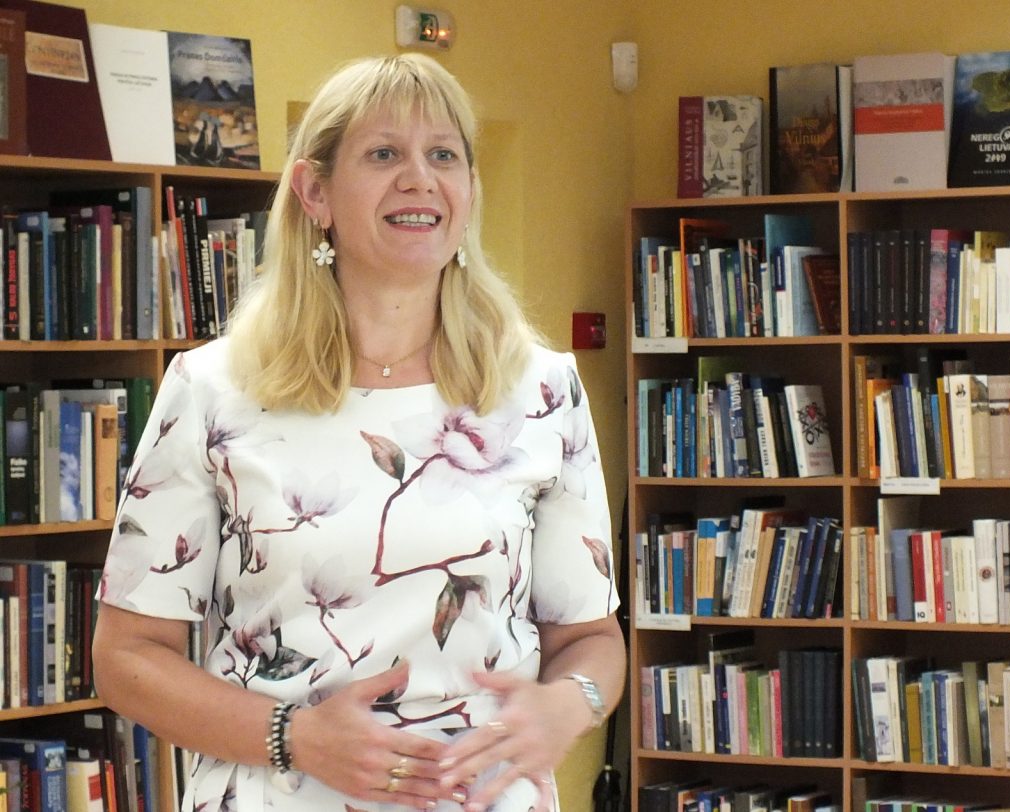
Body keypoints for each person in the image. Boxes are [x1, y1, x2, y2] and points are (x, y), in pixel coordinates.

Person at [92, 52, 625, 812]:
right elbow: (127, 659)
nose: (419, 179)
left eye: (444, 155)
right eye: (383, 154)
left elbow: (591, 640)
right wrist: (294, 736)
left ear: (470, 192)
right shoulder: (210, 390)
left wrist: (568, 705)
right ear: (315, 192)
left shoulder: (542, 390)